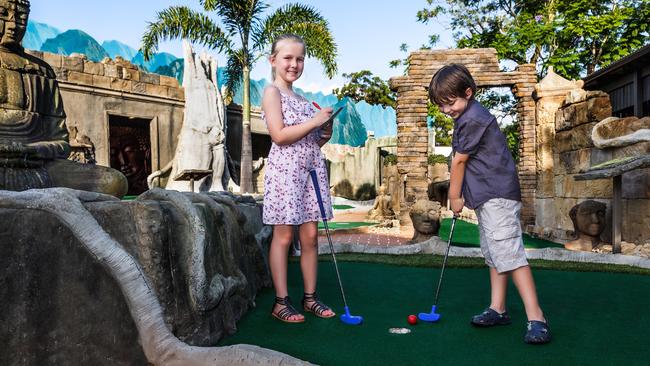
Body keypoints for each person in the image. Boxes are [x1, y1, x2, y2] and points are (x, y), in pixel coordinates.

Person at [429, 64, 551, 344]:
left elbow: (459, 161)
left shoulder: (473, 117)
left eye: (450, 103)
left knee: (509, 254)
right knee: (494, 252)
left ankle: (537, 317)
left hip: (498, 194)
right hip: (488, 195)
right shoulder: (465, 116)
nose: (446, 110)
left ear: (468, 93)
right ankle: (498, 309)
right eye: (441, 105)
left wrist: (455, 196)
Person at [261, 34, 336, 323]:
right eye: (288, 58)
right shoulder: (272, 93)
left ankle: (310, 298)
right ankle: (281, 302)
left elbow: (310, 142)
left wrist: (324, 132)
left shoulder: (304, 101)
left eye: (299, 59)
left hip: (310, 172)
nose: (294, 64)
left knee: (310, 236)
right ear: (273, 61)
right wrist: (314, 122)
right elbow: (279, 136)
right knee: (283, 236)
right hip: (285, 174)